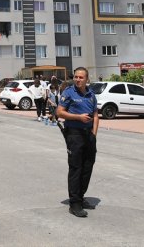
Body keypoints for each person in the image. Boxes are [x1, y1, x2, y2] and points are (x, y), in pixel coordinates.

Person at [56, 67, 99, 218]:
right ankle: (74, 203)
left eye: (81, 77)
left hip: (88, 135)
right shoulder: (69, 92)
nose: (78, 80)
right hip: (74, 134)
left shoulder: (91, 94)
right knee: (76, 167)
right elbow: (59, 112)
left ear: (87, 79)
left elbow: (95, 115)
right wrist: (78, 117)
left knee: (88, 166)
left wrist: (94, 133)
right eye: (76, 77)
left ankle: (81, 196)